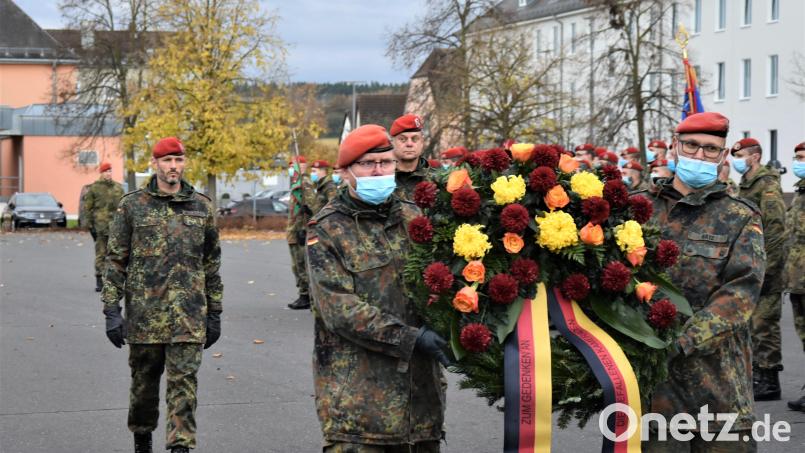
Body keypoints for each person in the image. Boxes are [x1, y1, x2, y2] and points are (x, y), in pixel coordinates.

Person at [306, 124, 449, 452]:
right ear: (345, 172)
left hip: (421, 405)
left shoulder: (416, 219)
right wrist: (412, 338)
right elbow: (339, 310)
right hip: (359, 410)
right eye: (368, 164)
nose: (379, 171)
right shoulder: (326, 230)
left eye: (385, 163)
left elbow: (442, 281)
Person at [644, 112, 765, 452]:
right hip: (654, 387)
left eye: (711, 149)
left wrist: (681, 341)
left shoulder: (739, 215)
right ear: (674, 147)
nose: (700, 156)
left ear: (723, 156)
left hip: (719, 381)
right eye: (692, 146)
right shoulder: (639, 208)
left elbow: (742, 291)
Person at [102, 137, 223, 453]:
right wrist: (112, 311)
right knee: (144, 387)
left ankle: (180, 445)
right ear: (155, 164)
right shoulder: (132, 206)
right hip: (145, 319)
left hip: (189, 317)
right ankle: (142, 436)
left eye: (179, 160)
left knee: (184, 386)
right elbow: (115, 261)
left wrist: (215, 313)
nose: (173, 167)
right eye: (167, 161)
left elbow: (211, 262)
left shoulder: (202, 206)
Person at [730, 137, 787, 400]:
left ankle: (769, 381)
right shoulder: (746, 184)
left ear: (754, 157)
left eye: (740, 155)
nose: (736, 161)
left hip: (768, 267)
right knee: (752, 325)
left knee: (765, 325)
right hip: (751, 265)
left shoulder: (767, 184)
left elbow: (775, 230)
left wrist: (769, 268)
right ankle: (757, 376)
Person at [82, 161, 124, 291]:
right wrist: (89, 226)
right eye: (106, 171)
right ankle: (99, 280)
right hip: (100, 227)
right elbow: (87, 208)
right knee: (101, 254)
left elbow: (124, 207)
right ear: (101, 173)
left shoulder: (118, 187)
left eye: (110, 171)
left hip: (116, 227)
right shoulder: (94, 188)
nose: (108, 173)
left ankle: (114, 280)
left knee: (116, 254)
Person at [785, 142, 805, 413]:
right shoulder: (800, 192)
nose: (798, 161)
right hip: (798, 278)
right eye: (797, 157)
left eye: (802, 157)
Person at [287, 156, 316, 310]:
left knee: (302, 265)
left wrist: (305, 229)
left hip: (301, 231)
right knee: (296, 266)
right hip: (293, 231)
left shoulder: (305, 183)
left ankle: (307, 296)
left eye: (295, 165)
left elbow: (312, 207)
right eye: (291, 166)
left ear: (303, 166)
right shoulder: (296, 183)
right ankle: (304, 294)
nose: (292, 168)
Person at [390, 114, 430, 200]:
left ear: (422, 142)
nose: (409, 144)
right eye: (402, 139)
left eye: (415, 139)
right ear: (392, 143)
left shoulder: (436, 181)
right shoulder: (383, 179)